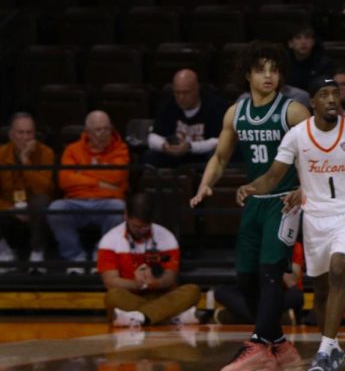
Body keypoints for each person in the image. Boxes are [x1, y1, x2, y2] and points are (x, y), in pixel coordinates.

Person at [239, 78, 345, 371]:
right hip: (315, 218)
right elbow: (273, 176)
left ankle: (325, 349)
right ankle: (332, 346)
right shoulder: (297, 136)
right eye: (324, 95)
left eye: (335, 94)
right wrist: (250, 187)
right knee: (321, 289)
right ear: (312, 102)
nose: (332, 99)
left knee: (339, 270)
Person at [190, 41, 309, 371]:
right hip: (255, 202)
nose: (269, 76)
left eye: (274, 69)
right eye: (261, 70)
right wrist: (205, 183)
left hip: (284, 201)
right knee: (245, 277)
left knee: (271, 272)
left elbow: (316, 154)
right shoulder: (236, 113)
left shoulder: (293, 111)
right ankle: (279, 344)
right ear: (248, 75)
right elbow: (220, 156)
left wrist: (304, 188)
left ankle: (258, 344)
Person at [100, 193, 201, 328]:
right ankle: (170, 316)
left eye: (145, 227)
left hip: (162, 294)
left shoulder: (166, 237)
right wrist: (137, 284)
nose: (141, 231)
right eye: (136, 226)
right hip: (131, 295)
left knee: (192, 290)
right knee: (112, 296)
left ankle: (139, 317)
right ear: (126, 216)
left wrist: (155, 283)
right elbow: (110, 281)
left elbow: (170, 277)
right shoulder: (110, 240)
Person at [48, 111, 129, 265]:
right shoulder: (72, 150)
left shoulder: (120, 149)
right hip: (76, 201)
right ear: (88, 132)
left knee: (118, 207)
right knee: (55, 208)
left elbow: (117, 177)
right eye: (98, 130)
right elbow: (65, 180)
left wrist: (81, 173)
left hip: (107, 201)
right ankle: (74, 257)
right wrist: (99, 182)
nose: (104, 134)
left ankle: (102, 252)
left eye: (107, 129)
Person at [0, 113, 54, 265]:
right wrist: (10, 208)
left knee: (41, 201)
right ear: (11, 135)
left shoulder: (46, 153)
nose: (25, 137)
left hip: (35, 208)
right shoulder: (1, 154)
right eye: (20, 133)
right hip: (9, 208)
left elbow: (42, 189)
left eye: (29, 132)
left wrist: (25, 161)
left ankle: (37, 251)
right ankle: (3, 251)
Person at [145, 69, 227, 170]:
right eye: (177, 93)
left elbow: (220, 141)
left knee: (214, 156)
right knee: (150, 156)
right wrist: (164, 146)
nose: (181, 97)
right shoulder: (167, 104)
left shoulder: (216, 106)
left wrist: (190, 147)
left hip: (201, 157)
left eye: (186, 93)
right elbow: (153, 137)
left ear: (197, 89)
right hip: (173, 155)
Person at [213, 242, 305, 325]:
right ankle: (279, 319)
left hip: (280, 294)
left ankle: (232, 317)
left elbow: (291, 282)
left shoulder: (293, 245)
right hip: (256, 295)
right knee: (220, 291)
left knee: (296, 294)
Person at [285, 25, 334, 95]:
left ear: (313, 42)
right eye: (298, 38)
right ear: (290, 44)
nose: (303, 42)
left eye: (307, 38)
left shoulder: (324, 63)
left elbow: (328, 81)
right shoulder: (284, 62)